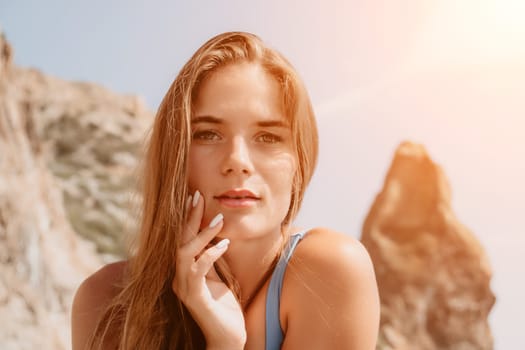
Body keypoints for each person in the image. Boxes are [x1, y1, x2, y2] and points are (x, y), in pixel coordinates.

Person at [71, 31, 380, 350]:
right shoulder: (105, 300)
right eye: (208, 134)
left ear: (299, 161)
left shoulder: (329, 271)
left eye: (268, 137)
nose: (238, 161)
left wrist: (225, 344)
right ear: (175, 155)